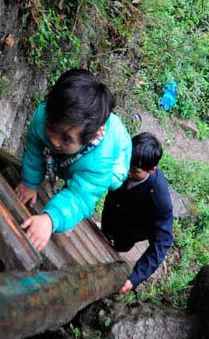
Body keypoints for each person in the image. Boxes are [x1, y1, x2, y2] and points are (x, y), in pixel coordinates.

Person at [14, 69, 132, 251]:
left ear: (91, 138)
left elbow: (81, 196)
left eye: (66, 138)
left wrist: (51, 218)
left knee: (108, 181)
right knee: (63, 159)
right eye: (51, 127)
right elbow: (35, 150)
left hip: (116, 156)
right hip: (79, 156)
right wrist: (30, 182)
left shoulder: (101, 161)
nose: (53, 140)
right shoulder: (45, 117)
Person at [101, 132, 174, 294]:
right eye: (126, 164)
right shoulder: (124, 160)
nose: (127, 172)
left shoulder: (160, 198)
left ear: (152, 170)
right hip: (113, 210)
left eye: (134, 171)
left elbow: (162, 242)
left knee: (121, 246)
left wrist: (134, 278)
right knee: (105, 230)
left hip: (132, 229)